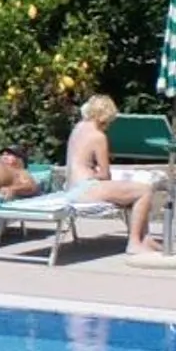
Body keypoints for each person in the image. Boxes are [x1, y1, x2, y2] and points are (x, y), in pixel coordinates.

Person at [68, 93, 162, 253]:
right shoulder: (98, 137)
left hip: (72, 186)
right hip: (87, 189)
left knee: (132, 190)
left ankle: (146, 238)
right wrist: (96, 175)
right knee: (144, 191)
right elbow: (105, 175)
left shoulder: (78, 128)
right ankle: (134, 242)